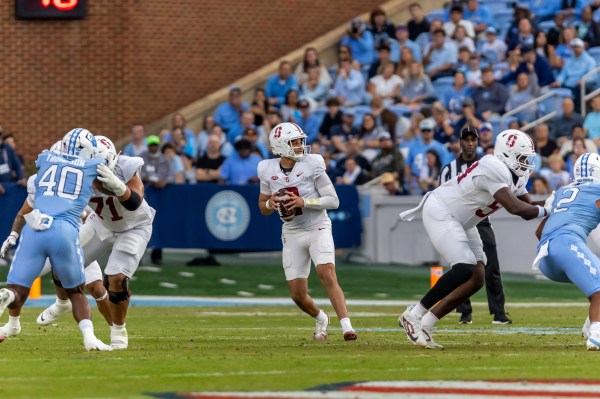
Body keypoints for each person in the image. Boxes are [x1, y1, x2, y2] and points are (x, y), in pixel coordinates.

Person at [399, 129, 553, 349]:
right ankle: (413, 314)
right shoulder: (494, 166)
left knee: (477, 277)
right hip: (441, 211)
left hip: (464, 221)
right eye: (521, 157)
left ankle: (426, 323)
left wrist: (553, 202)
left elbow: (529, 206)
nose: (526, 163)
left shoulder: (516, 174)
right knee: (464, 268)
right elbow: (517, 208)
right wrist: (547, 209)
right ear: (507, 154)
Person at [33, 137, 154, 350]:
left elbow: (134, 202)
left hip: (135, 226)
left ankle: (118, 329)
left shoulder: (127, 165)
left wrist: (118, 187)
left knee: (116, 278)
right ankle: (62, 303)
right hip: (101, 223)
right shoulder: (76, 173)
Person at [0, 128, 111, 351]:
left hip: (35, 228)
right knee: (77, 292)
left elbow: (26, 210)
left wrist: (13, 235)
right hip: (65, 231)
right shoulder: (91, 167)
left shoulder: (44, 160)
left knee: (18, 287)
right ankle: (89, 337)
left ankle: (8, 297)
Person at [257, 122, 357, 341]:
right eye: (294, 142)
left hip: (317, 226)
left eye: (300, 141)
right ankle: (321, 318)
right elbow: (262, 206)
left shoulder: (313, 164)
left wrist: (303, 201)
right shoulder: (267, 168)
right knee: (298, 295)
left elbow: (333, 200)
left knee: (326, 273)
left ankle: (347, 327)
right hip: (292, 232)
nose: (301, 146)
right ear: (281, 146)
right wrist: (270, 204)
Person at [439, 126, 513, 325]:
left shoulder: (487, 165)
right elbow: (442, 195)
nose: (470, 143)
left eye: (473, 139)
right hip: (460, 221)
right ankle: (465, 312)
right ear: (460, 142)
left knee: (492, 267)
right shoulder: (449, 169)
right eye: (466, 139)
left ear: (477, 142)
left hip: (482, 220)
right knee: (463, 266)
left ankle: (499, 312)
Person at [533, 153, 600, 350]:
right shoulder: (597, 190)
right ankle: (596, 335)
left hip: (546, 258)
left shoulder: (562, 191)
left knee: (594, 281)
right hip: (567, 243)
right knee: (598, 287)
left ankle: (591, 323)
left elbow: (539, 232)